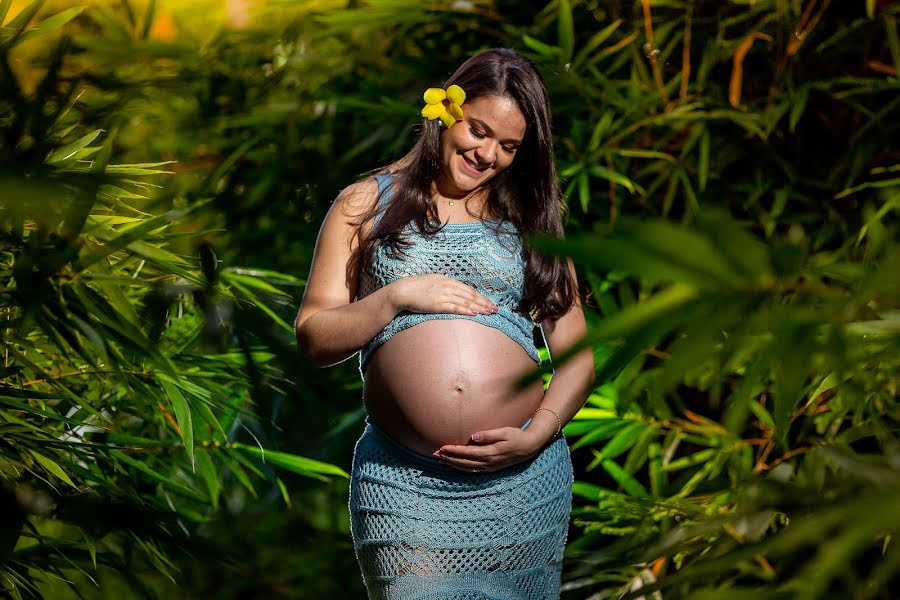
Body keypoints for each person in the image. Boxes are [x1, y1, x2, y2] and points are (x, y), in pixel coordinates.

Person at [295, 48, 595, 600]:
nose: (487, 155)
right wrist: (396, 297)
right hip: (404, 484)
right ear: (446, 111)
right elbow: (314, 337)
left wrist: (535, 435)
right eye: (478, 131)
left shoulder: (529, 220)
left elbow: (576, 353)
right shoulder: (366, 203)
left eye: (508, 146)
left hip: (521, 482)